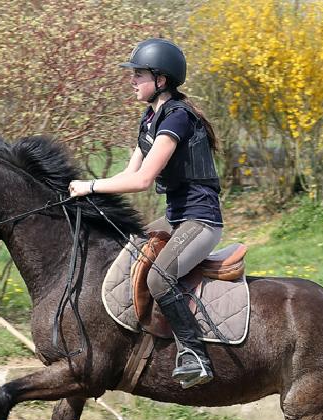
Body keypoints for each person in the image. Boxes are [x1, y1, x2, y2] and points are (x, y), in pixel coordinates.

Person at [69, 38, 222, 389]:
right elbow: (126, 174)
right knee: (129, 252)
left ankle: (194, 354)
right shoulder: (151, 118)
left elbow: (142, 180)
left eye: (138, 75)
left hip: (200, 219)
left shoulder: (179, 118)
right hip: (176, 216)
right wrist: (85, 188)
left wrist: (90, 187)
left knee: (158, 276)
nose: (132, 81)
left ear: (161, 80)